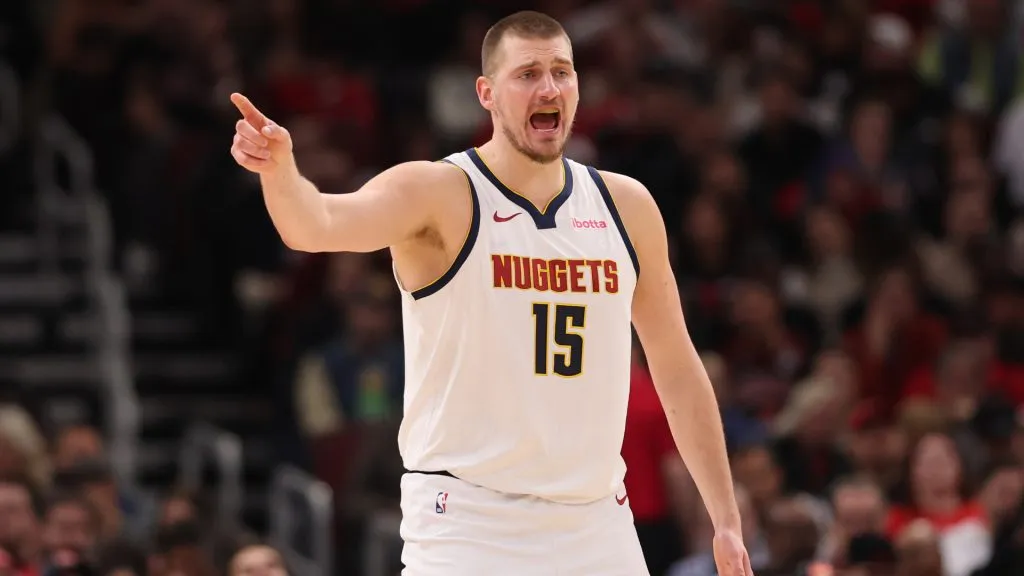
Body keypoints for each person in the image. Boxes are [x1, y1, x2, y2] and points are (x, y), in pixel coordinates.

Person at [230, 10, 751, 576]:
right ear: (487, 92)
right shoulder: (439, 192)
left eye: (562, 71)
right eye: (527, 74)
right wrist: (281, 174)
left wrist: (725, 518)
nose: (549, 87)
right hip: (469, 521)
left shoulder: (625, 206)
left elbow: (676, 364)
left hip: (595, 520)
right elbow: (318, 225)